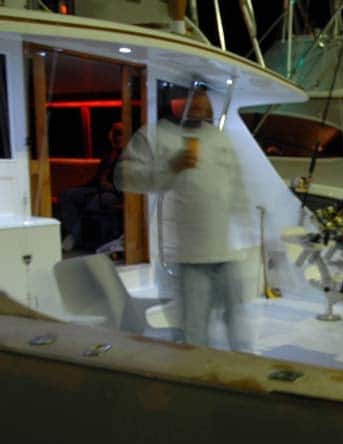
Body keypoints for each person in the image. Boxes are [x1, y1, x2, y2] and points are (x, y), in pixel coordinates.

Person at [115, 88, 251, 350]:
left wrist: (247, 228)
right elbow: (124, 178)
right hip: (187, 256)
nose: (200, 103)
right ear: (175, 100)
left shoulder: (218, 137)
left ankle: (244, 372)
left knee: (237, 322)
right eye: (192, 97)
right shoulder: (155, 134)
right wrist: (171, 166)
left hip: (226, 251)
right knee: (194, 329)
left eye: (203, 97)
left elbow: (237, 186)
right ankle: (195, 378)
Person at [59, 122, 124, 251]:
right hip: (98, 189)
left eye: (119, 134)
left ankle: (77, 237)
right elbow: (97, 178)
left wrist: (111, 187)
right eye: (114, 134)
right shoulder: (110, 154)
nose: (116, 137)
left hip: (118, 194)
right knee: (67, 195)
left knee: (96, 202)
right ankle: (77, 235)